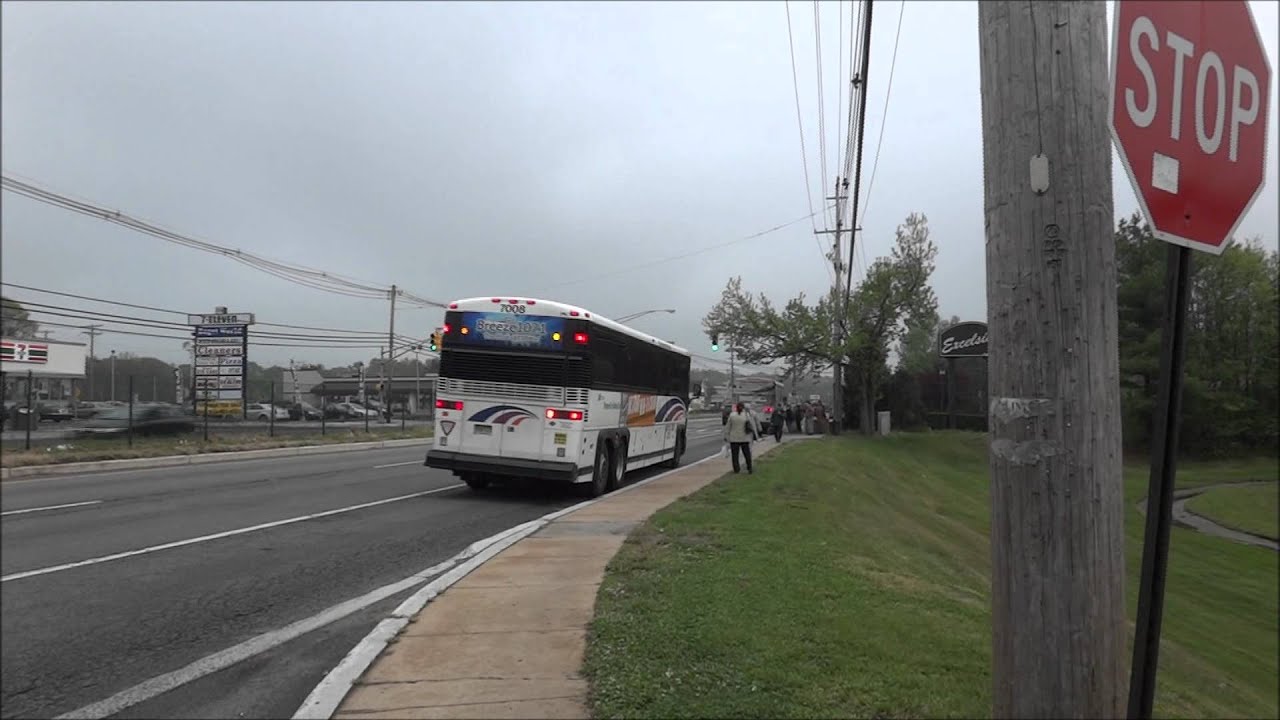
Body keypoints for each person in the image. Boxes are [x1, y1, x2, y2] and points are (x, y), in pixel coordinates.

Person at [723, 402, 755, 474]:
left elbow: (728, 427)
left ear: (736, 408)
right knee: (747, 454)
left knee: (735, 455)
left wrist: (726, 436)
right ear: (743, 407)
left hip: (734, 438)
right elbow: (751, 425)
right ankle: (749, 467)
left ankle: (736, 469)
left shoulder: (732, 415)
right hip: (744, 438)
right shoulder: (746, 415)